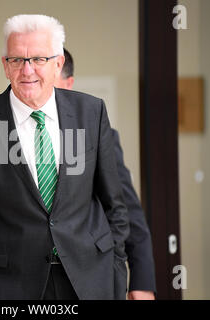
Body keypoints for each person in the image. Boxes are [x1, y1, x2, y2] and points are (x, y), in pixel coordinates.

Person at [0, 14, 129, 300]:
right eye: (17, 60)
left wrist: (115, 278)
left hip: (89, 280)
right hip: (10, 287)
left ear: (58, 64)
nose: (27, 71)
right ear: (5, 66)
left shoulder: (91, 113)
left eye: (38, 59)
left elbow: (115, 206)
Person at [55, 48, 156, 300]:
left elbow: (126, 209)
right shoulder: (5, 137)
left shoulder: (100, 135)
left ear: (69, 85)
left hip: (88, 273)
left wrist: (141, 281)